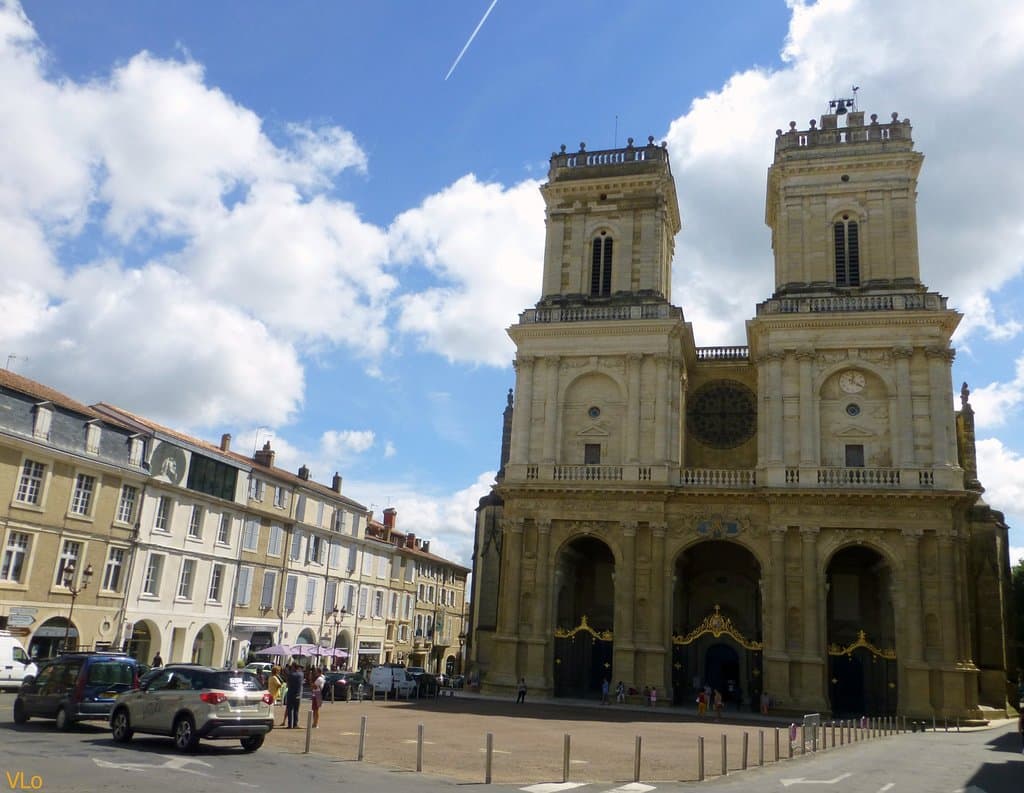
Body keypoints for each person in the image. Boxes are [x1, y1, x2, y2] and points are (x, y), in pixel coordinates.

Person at [285, 663, 304, 728]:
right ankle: (295, 724)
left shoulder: (290, 675)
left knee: (289, 709)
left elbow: (287, 684)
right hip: (298, 694)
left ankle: (289, 724)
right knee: (296, 710)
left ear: (293, 667)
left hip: (290, 693)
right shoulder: (301, 674)